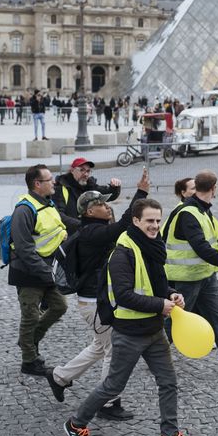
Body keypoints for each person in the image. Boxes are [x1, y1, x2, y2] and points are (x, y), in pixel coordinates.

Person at [63, 198, 206, 436]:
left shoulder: (152, 247)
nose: (154, 226)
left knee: (168, 382)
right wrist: (160, 305)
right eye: (149, 221)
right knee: (113, 386)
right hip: (129, 332)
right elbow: (124, 295)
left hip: (153, 330)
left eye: (158, 221)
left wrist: (172, 294)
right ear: (136, 221)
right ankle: (76, 424)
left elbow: (156, 286)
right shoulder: (122, 253)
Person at [45, 169, 149, 419]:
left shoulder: (94, 229)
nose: (106, 206)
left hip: (96, 300)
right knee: (112, 349)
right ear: (90, 212)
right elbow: (125, 223)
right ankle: (108, 403)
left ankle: (59, 377)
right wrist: (141, 192)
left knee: (99, 347)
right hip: (94, 302)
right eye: (101, 204)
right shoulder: (91, 233)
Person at [162, 170, 218, 374]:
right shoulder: (188, 213)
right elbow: (200, 247)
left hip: (206, 275)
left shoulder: (203, 209)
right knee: (175, 319)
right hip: (186, 277)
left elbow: (209, 241)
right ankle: (152, 352)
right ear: (214, 188)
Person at [8, 165, 69, 376]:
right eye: (49, 179)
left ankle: (30, 340)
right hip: (28, 272)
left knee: (59, 306)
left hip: (46, 269)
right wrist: (45, 271)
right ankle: (29, 360)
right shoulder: (24, 209)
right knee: (30, 316)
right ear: (37, 184)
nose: (54, 182)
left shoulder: (47, 203)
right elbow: (24, 248)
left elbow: (56, 228)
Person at [52, 158, 121, 230]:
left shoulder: (90, 185)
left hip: (90, 229)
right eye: (82, 170)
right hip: (71, 232)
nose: (86, 174)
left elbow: (109, 195)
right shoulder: (60, 189)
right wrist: (81, 225)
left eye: (88, 171)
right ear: (72, 170)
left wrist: (115, 187)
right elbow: (59, 215)